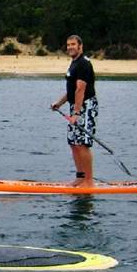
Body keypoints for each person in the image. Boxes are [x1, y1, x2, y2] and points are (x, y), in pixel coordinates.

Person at [50, 34, 97, 184]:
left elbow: (80, 90)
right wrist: (60, 102)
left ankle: (89, 181)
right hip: (74, 106)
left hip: (86, 106)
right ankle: (80, 177)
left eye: (73, 44)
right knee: (73, 142)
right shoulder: (74, 63)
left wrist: (77, 113)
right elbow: (71, 90)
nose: (70, 47)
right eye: (68, 44)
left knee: (82, 143)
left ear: (80, 46)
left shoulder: (84, 63)